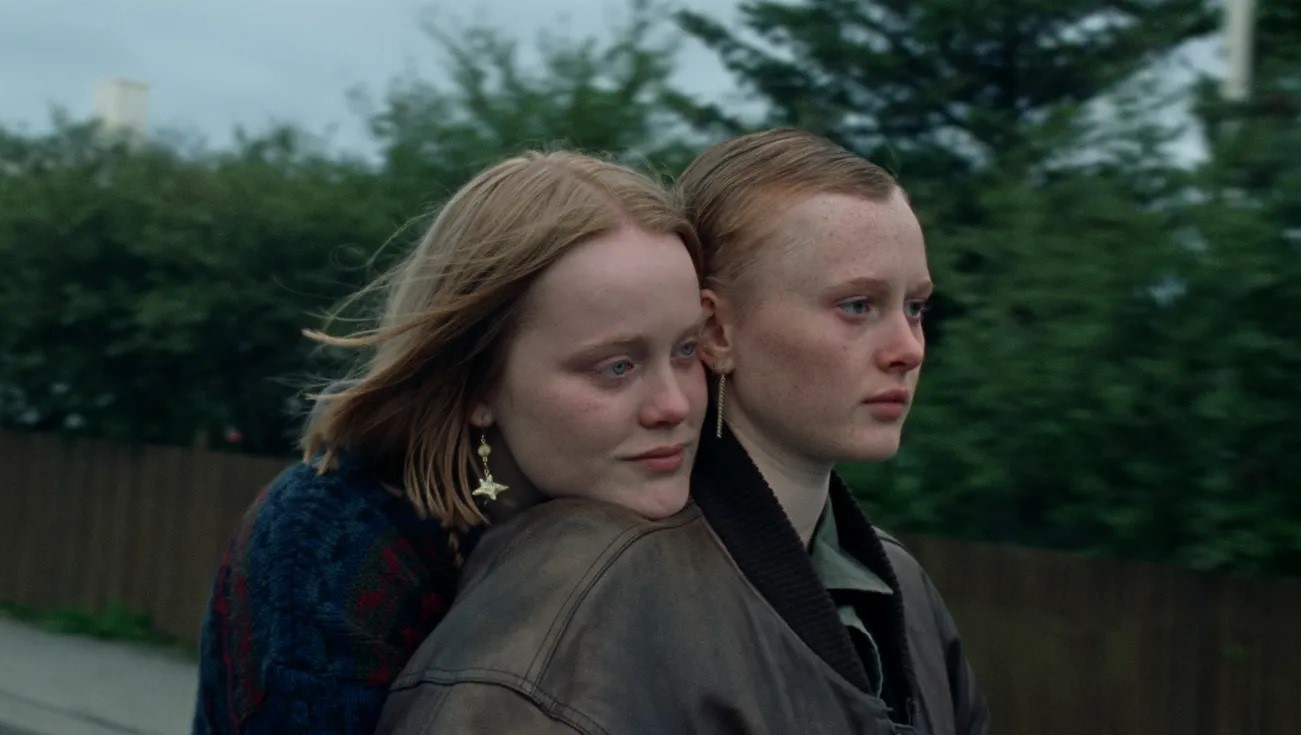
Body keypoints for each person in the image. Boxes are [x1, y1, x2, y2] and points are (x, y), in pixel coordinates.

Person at [378, 129, 989, 734]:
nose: (909, 348)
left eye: (916, 307)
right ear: (718, 329)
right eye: (856, 306)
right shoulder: (585, 596)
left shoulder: (904, 589)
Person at [191, 150, 708, 734]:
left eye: (687, 350)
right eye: (616, 367)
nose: (674, 405)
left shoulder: (705, 494)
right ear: (476, 382)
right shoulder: (332, 544)